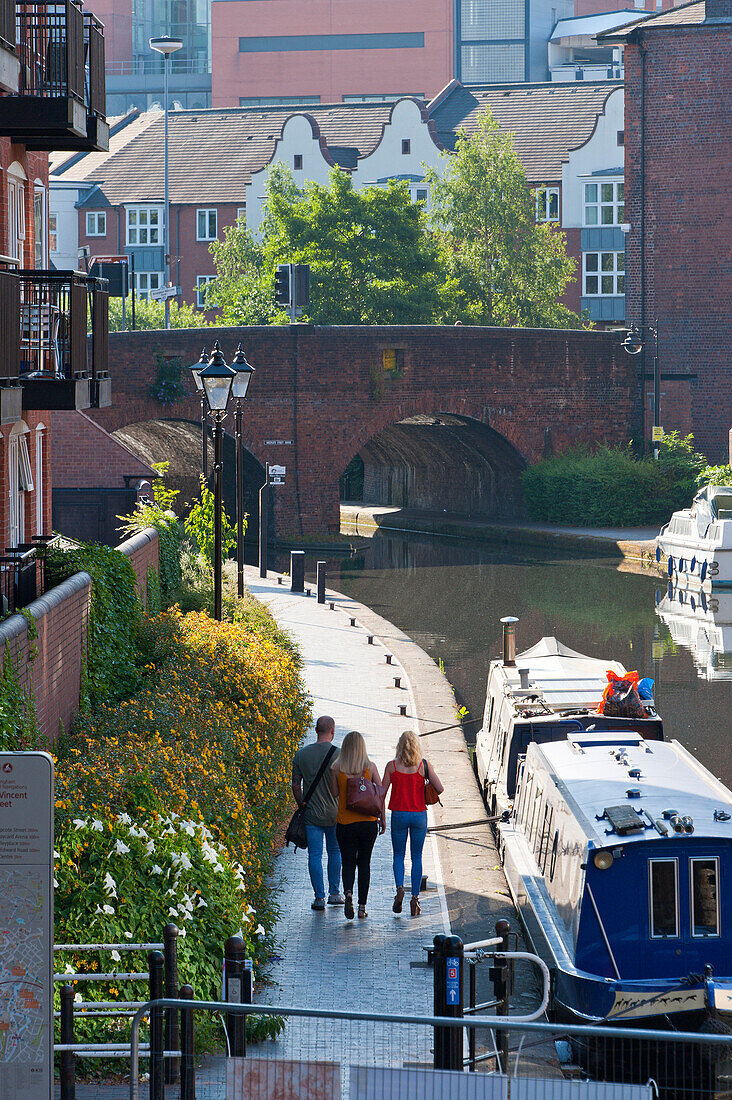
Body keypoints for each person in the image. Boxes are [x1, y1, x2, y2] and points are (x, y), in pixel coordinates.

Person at [383, 730, 444, 917]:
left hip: (399, 814)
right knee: (417, 857)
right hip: (418, 815)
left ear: (399, 746)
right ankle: (415, 899)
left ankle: (400, 888)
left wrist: (379, 814)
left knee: (398, 855)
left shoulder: (392, 766)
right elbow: (440, 788)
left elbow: (381, 792)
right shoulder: (424, 765)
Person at [330, 730, 384, 920]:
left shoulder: (336, 768)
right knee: (364, 863)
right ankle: (362, 907)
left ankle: (348, 894)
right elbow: (381, 794)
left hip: (345, 823)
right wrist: (382, 818)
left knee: (348, 862)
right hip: (368, 823)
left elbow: (335, 794)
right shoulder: (370, 767)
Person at [292, 715, 343, 912]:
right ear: (333, 731)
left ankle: (319, 898)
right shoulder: (340, 755)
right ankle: (334, 893)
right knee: (335, 852)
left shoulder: (301, 755)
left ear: (315, 730)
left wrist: (302, 804)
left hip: (312, 813)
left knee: (314, 854)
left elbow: (296, 785)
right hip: (335, 813)